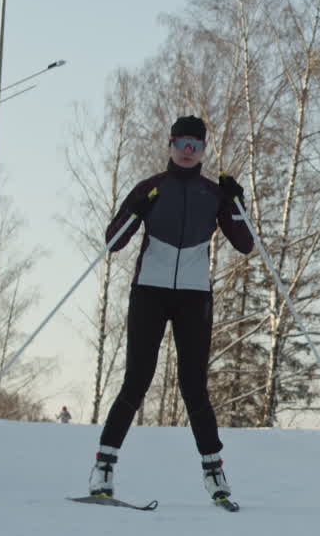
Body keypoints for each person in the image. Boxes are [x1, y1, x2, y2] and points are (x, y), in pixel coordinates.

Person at [88, 115, 253, 503]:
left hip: (194, 297)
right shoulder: (151, 188)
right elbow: (114, 242)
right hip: (149, 292)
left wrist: (235, 202)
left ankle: (215, 474)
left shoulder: (213, 194)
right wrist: (138, 208)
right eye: (182, 143)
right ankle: (103, 467)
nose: (188, 151)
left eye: (196, 145)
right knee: (137, 379)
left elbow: (245, 244)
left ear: (203, 150)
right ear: (170, 145)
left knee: (193, 385)